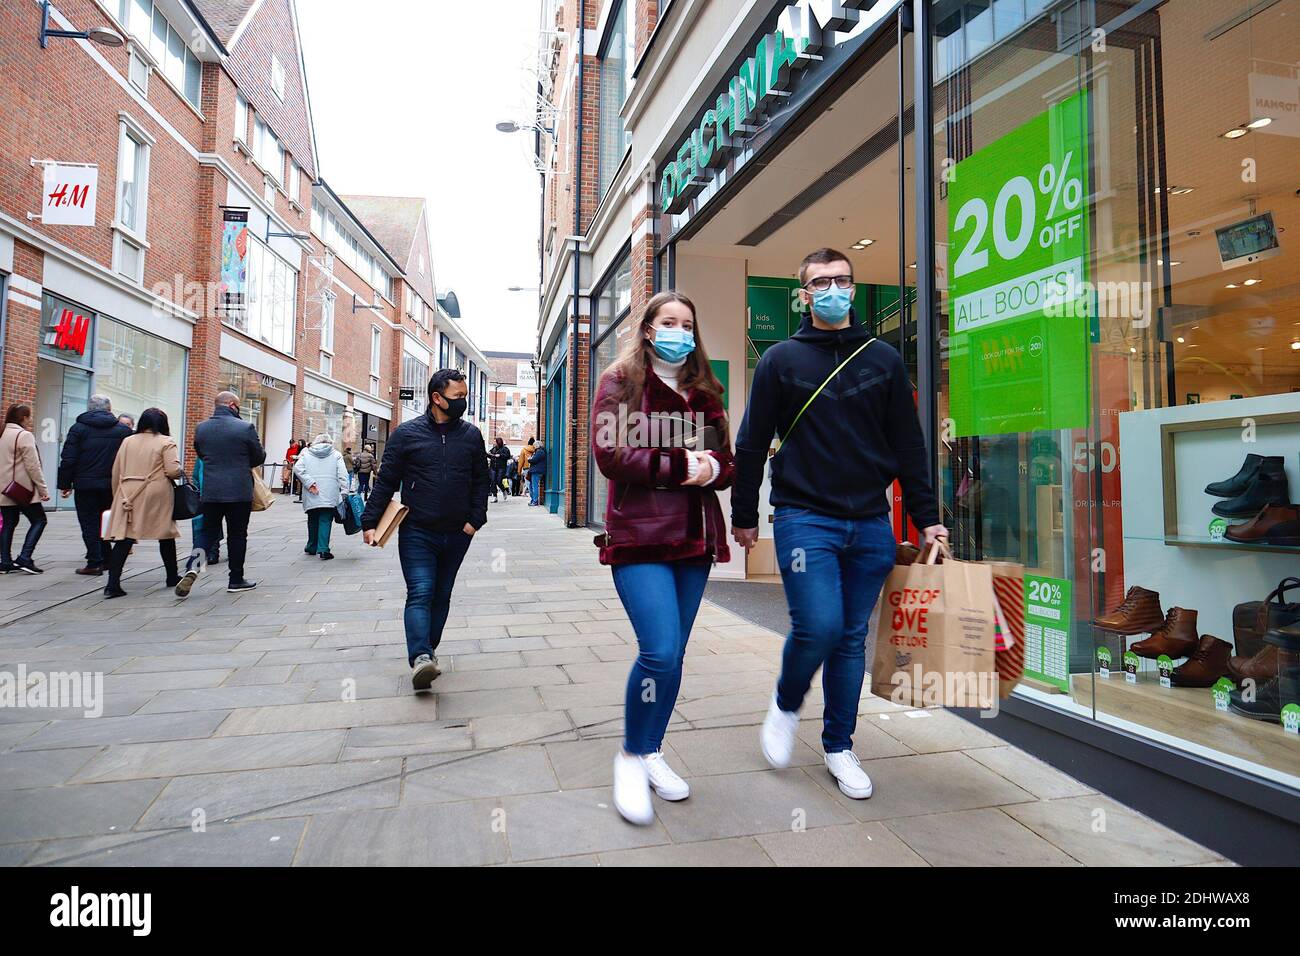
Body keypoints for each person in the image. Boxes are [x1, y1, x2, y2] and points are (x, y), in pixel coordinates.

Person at [731, 248, 947, 801]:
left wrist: (928, 519)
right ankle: (785, 702)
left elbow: (907, 445)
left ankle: (838, 745)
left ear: (853, 288)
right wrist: (746, 516)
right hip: (806, 517)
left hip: (871, 522)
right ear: (804, 294)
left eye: (842, 280)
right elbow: (752, 442)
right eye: (820, 282)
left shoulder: (883, 360)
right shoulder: (780, 360)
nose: (832, 289)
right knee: (819, 626)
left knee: (852, 639)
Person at [592, 291, 735, 826]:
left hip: (694, 540)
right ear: (649, 329)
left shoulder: (705, 392)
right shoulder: (621, 383)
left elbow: (727, 461)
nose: (679, 330)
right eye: (668, 321)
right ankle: (630, 755)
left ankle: (652, 749)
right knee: (659, 649)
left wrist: (714, 471)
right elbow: (610, 455)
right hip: (640, 537)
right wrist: (682, 465)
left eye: (687, 323)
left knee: (674, 656)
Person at [360, 369, 489, 692]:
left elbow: (480, 482)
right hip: (417, 530)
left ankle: (427, 651)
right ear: (436, 398)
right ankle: (420, 657)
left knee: (442, 594)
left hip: (458, 532)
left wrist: (475, 520)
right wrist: (369, 521)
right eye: (457, 397)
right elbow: (387, 480)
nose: (463, 402)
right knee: (421, 591)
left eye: (465, 396)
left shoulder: (471, 436)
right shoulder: (407, 435)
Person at [186, 391, 265, 595]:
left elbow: (201, 453)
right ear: (232, 405)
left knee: (207, 532)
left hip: (211, 490)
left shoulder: (201, 428)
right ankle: (235, 579)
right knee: (237, 535)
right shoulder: (245, 427)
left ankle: (193, 567)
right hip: (239, 491)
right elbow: (258, 457)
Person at [102, 408, 185, 599]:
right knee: (165, 534)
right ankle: (172, 575)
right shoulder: (166, 442)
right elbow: (172, 471)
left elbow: (116, 470)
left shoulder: (127, 441)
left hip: (128, 493)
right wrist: (180, 470)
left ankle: (112, 584)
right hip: (155, 492)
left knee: (124, 539)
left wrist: (118, 495)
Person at [56, 394, 132, 575]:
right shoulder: (122, 431)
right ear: (110, 408)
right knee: (106, 521)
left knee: (89, 522)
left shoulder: (78, 429)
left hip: (85, 484)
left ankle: (94, 561)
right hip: (111, 485)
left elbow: (68, 458)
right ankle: (107, 559)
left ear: (89, 408)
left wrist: (65, 484)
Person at [0, 404, 51, 575]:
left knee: (8, 523)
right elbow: (33, 466)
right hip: (21, 489)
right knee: (39, 520)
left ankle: (5, 561)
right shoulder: (24, 435)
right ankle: (25, 558)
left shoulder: (2, 433)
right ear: (23, 418)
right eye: (29, 417)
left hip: (3, 489)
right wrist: (43, 489)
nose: (30, 420)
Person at [295, 434, 348, 561]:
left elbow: (297, 468)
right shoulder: (336, 454)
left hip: (312, 491)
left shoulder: (306, 454)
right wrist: (344, 490)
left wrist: (309, 482)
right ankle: (323, 549)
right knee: (325, 519)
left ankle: (311, 546)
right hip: (329, 493)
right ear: (330, 442)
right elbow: (343, 474)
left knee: (312, 519)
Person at [190, 456, 222, 568]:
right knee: (205, 525)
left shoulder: (204, 449)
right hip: (209, 493)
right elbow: (196, 474)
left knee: (204, 527)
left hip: (210, 493)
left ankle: (198, 560)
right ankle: (206, 556)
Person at [487, 437, 511, 503]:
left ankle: (504, 490)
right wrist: (488, 454)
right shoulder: (493, 449)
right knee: (493, 481)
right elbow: (491, 455)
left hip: (501, 467)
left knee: (499, 481)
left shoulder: (505, 449)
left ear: (499, 442)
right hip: (493, 467)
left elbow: (508, 456)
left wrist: (500, 455)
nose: (494, 443)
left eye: (495, 442)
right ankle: (495, 496)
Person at [527, 440, 547, 506]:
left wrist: (529, 459)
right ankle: (533, 500)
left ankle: (535, 501)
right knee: (531, 486)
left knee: (534, 486)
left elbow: (534, 460)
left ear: (537, 445)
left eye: (534, 445)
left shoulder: (540, 452)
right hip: (536, 471)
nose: (534, 447)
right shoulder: (539, 451)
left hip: (537, 471)